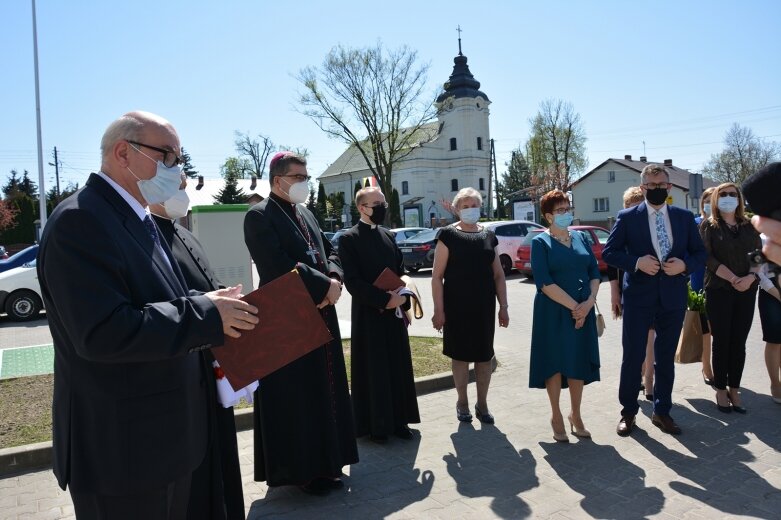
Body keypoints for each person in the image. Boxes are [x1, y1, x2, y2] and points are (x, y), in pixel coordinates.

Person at [37, 111, 259, 520]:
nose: (179, 170)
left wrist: (210, 301)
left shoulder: (136, 218)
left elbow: (158, 299)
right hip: (122, 454)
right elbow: (104, 332)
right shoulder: (80, 220)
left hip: (160, 444)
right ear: (124, 152)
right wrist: (207, 313)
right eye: (169, 157)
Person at [243, 151, 358, 495]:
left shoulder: (306, 212)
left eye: (306, 176)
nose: (305, 183)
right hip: (287, 319)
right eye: (299, 177)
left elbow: (329, 249)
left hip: (323, 310)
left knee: (327, 389)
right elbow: (276, 265)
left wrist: (334, 277)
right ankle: (303, 471)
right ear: (278, 180)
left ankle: (329, 463)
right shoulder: (258, 216)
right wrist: (324, 287)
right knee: (299, 395)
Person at [150, 182, 245, 520]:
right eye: (177, 185)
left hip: (211, 362)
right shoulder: (148, 236)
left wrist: (225, 295)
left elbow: (204, 285)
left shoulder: (184, 234)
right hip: (186, 363)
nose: (184, 191)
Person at [603, 163, 706, 437]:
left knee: (664, 359)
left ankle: (662, 411)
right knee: (633, 356)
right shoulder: (627, 217)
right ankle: (628, 412)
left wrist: (684, 266)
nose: (657, 190)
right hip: (639, 297)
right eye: (651, 186)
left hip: (672, 298)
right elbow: (609, 253)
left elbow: (700, 254)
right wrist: (636, 262)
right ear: (642, 187)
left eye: (661, 186)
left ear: (669, 188)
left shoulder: (684, 217)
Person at [338, 187, 421, 443]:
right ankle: (377, 426)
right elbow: (352, 281)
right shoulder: (348, 239)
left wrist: (404, 292)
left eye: (384, 203)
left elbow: (400, 269)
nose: (383, 207)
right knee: (375, 370)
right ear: (362, 208)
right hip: (369, 315)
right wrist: (384, 300)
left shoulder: (388, 235)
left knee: (397, 366)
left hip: (394, 314)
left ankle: (399, 421)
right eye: (377, 204)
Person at [431, 187, 509, 424]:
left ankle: (482, 403)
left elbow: (498, 275)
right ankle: (462, 402)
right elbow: (436, 276)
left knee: (484, 357)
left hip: (483, 308)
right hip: (456, 309)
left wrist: (503, 306)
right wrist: (439, 311)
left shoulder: (488, 236)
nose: (470, 210)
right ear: (456, 209)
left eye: (474, 205)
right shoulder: (447, 235)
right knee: (461, 356)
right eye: (465, 206)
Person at [529, 189, 601, 442]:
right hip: (553, 312)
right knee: (555, 362)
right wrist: (575, 308)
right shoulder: (540, 242)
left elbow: (595, 272)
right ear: (548, 216)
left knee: (577, 362)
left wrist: (588, 303)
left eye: (567, 209)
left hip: (583, 309)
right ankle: (556, 414)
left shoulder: (580, 238)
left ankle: (576, 414)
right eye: (559, 210)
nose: (565, 214)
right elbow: (544, 282)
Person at [700, 183, 761, 414]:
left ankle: (735, 388)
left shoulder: (749, 225)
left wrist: (750, 277)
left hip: (747, 289)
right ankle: (720, 389)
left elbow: (757, 255)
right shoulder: (709, 225)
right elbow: (708, 258)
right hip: (719, 289)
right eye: (723, 194)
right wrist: (734, 278)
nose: (728, 198)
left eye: (732, 194)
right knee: (722, 341)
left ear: (739, 198)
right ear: (716, 198)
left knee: (739, 342)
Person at [608, 187, 655, 401]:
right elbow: (612, 265)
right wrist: (614, 293)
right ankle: (636, 377)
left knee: (650, 339)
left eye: (637, 204)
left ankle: (649, 380)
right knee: (634, 341)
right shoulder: (622, 227)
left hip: (653, 293)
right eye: (629, 205)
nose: (633, 209)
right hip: (629, 292)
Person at [691, 187, 715, 386]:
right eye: (708, 200)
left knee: (721, 331)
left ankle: (722, 367)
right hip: (699, 284)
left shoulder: (724, 225)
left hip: (722, 285)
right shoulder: (695, 223)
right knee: (705, 330)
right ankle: (707, 367)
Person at [757, 246, 781, 404]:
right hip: (771, 295)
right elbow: (758, 272)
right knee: (774, 341)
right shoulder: (761, 238)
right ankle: (775, 385)